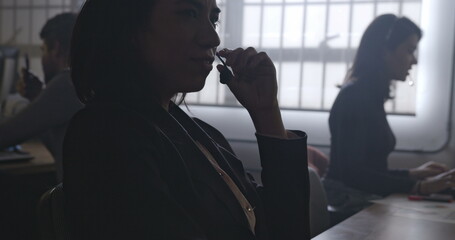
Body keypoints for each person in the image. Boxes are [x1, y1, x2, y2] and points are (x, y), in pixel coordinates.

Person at [63, 0, 310, 239]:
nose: (213, 38)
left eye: (213, 19)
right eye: (188, 13)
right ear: (128, 28)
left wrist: (266, 113)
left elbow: (287, 230)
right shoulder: (105, 133)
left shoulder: (196, 131)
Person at [326, 14, 455, 198]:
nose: (415, 60)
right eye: (410, 50)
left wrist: (413, 174)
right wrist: (420, 187)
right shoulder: (354, 96)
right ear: (384, 51)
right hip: (346, 203)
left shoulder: (370, 96)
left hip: (359, 198)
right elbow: (353, 175)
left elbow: (371, 170)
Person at [0, 12, 83, 181]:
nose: (43, 58)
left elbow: (7, 134)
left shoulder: (66, 83)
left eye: (43, 50)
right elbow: (60, 149)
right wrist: (38, 97)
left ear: (57, 49)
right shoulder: (84, 81)